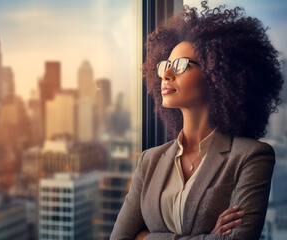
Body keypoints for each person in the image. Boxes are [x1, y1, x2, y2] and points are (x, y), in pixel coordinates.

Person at [110, 2, 283, 240]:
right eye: (166, 66)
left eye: (180, 65)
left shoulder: (252, 157)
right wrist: (208, 236)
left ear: (216, 74)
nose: (167, 75)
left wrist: (146, 237)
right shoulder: (149, 161)